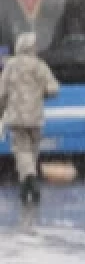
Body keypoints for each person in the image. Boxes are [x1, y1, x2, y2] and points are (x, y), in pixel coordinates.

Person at [0, 32, 59, 204]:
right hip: (35, 116)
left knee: (21, 149)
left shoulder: (11, 66)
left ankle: (29, 180)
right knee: (33, 149)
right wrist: (41, 93)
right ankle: (26, 184)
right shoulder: (39, 66)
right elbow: (54, 88)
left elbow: (2, 93)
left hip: (17, 116)